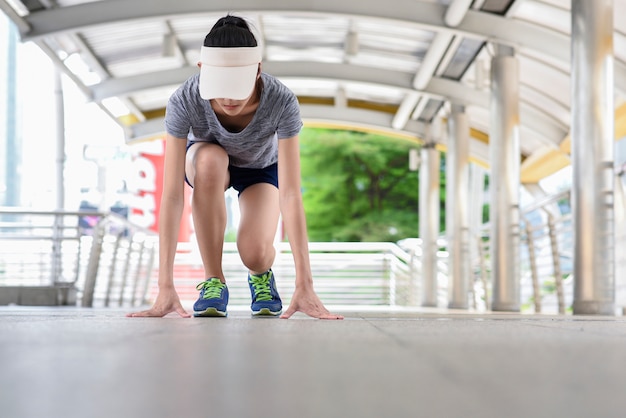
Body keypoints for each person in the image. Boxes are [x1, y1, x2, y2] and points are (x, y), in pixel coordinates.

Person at [127, 14, 343, 320]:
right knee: (212, 159)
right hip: (205, 163)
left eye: (237, 87)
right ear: (202, 70)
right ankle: (213, 281)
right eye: (219, 86)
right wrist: (165, 286)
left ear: (257, 70)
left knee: (254, 252)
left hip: (260, 169)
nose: (228, 99)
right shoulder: (184, 99)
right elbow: (173, 195)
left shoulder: (281, 101)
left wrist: (305, 284)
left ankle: (261, 277)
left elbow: (292, 194)